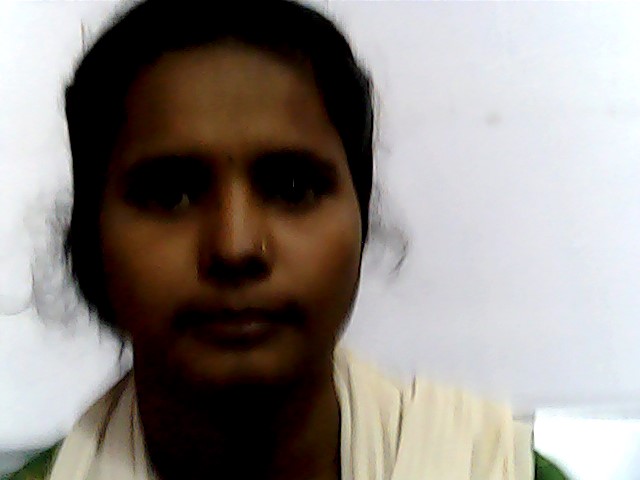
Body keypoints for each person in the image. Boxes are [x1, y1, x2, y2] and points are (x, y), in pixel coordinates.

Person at [9, 1, 568, 479]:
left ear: (362, 217)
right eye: (169, 194)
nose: (236, 247)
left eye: (293, 188)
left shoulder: (491, 467)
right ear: (90, 235)